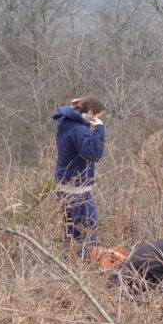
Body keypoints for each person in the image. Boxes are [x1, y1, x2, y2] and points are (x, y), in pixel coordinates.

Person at [52, 96, 106, 253]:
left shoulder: (66, 122)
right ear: (91, 113)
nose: (96, 120)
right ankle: (84, 261)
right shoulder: (79, 129)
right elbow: (94, 153)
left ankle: (69, 259)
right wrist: (99, 129)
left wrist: (73, 108)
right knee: (85, 232)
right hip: (77, 189)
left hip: (63, 184)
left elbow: (73, 117)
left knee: (70, 231)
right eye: (97, 117)